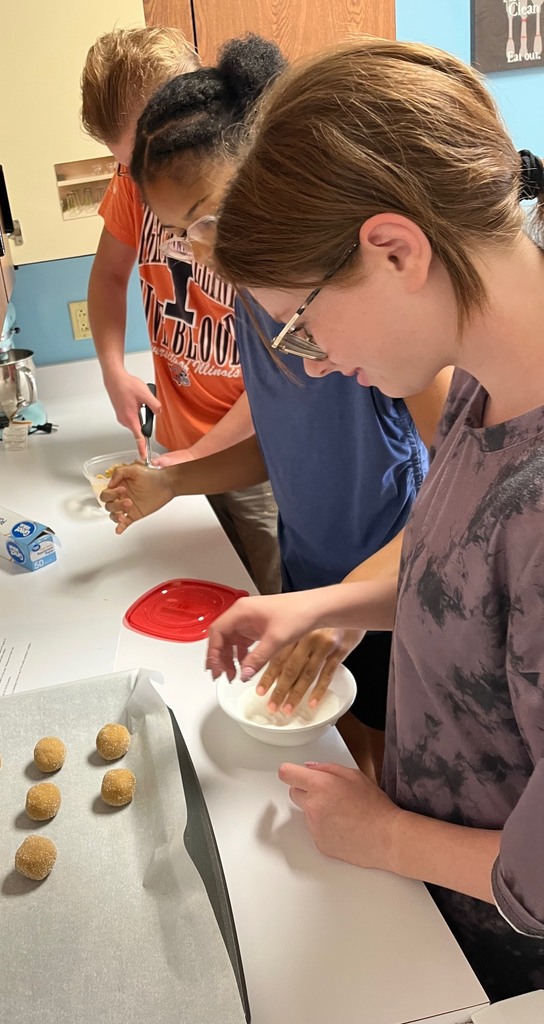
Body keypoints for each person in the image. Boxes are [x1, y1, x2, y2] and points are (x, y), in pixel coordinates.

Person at [204, 38, 544, 1000]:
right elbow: (467, 587)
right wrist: (322, 607)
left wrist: (383, 836)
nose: (310, 362)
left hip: (502, 967)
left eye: (302, 323)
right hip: (428, 903)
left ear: (395, 250)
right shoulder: (482, 380)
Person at [103, 36, 451, 780]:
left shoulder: (369, 312)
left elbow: (462, 496)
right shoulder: (253, 306)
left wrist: (349, 606)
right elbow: (281, 442)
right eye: (181, 235)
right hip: (310, 573)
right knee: (342, 741)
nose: (201, 251)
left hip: (387, 583)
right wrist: (175, 479)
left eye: (209, 219)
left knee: (391, 756)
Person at [81, 28, 281, 596]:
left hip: (250, 452)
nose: (141, 183)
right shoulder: (132, 186)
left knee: (268, 589)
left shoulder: (253, 207)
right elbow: (109, 275)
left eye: (152, 159)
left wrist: (191, 463)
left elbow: (281, 368)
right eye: (129, 168)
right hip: (178, 445)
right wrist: (113, 371)